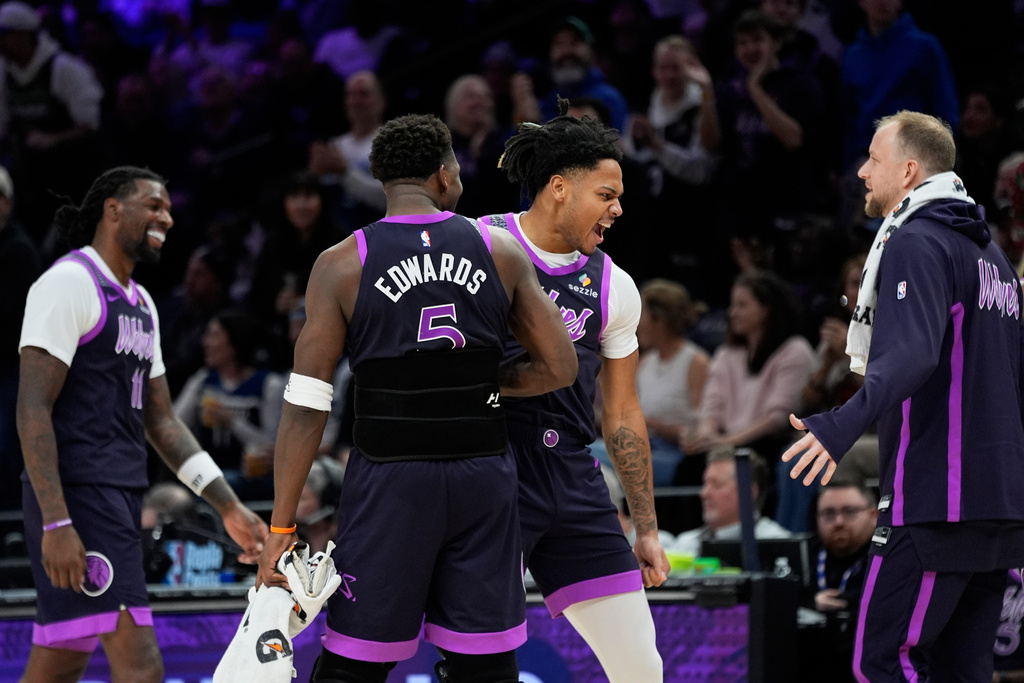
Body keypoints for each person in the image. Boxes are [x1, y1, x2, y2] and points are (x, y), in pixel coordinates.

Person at [255, 113, 577, 683]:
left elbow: (307, 403)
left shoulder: (340, 264)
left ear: (384, 182)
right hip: (482, 475)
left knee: (356, 661)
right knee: (486, 662)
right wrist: (481, 388)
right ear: (445, 176)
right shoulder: (499, 248)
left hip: (390, 478)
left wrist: (280, 531)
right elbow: (560, 366)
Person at [784, 111, 1024, 682]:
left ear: (910, 170)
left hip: (937, 499)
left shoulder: (916, 241)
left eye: (873, 158)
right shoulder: (991, 259)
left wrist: (841, 425)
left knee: (882, 662)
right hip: (999, 506)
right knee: (961, 670)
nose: (862, 171)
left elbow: (911, 355)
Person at [16, 165, 267, 682]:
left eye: (169, 208)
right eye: (154, 205)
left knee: (59, 665)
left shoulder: (144, 305)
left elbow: (163, 422)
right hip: (81, 497)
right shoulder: (68, 283)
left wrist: (229, 506)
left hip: (121, 492)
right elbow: (32, 407)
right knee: (143, 667)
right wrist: (57, 522)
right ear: (113, 209)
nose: (167, 218)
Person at [480, 98, 670, 683]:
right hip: (489, 471)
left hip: (570, 477)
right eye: (606, 195)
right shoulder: (478, 243)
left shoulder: (616, 285)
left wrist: (645, 527)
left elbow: (621, 411)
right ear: (560, 187)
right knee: (482, 664)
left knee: (643, 669)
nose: (617, 209)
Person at [592, 278, 710, 486]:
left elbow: (699, 428)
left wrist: (651, 423)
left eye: (641, 313)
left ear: (660, 320)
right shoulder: (646, 361)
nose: (635, 322)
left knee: (590, 454)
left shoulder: (696, 362)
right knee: (581, 448)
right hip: (637, 444)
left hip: (673, 456)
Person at [798, 480, 878, 683]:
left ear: (874, 515)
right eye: (828, 514)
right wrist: (809, 605)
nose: (839, 521)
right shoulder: (802, 555)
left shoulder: (887, 559)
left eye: (850, 511)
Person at [668, 446, 790, 557]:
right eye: (705, 484)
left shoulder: (778, 543)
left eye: (717, 484)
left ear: (748, 493)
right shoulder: (686, 544)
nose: (704, 493)